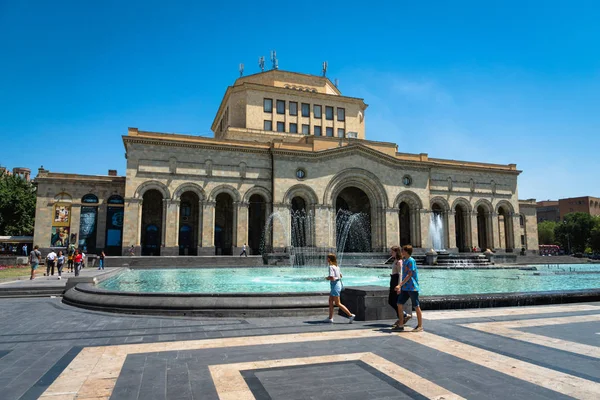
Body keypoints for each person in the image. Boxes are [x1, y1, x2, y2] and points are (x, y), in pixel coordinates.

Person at [394, 245, 423, 332]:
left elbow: (409, 275)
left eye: (403, 250)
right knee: (399, 303)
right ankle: (401, 324)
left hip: (412, 287)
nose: (401, 252)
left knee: (416, 306)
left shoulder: (411, 261)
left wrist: (400, 285)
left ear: (406, 252)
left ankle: (420, 326)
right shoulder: (405, 260)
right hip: (406, 287)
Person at [323, 253, 355, 323]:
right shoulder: (337, 266)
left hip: (335, 286)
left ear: (329, 259)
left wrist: (326, 278)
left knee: (337, 303)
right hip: (338, 284)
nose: (326, 259)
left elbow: (332, 277)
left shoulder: (331, 267)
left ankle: (350, 315)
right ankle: (330, 318)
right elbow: (340, 276)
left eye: (327, 258)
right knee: (330, 301)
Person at [389, 246, 412, 328]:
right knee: (392, 301)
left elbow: (400, 274)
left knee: (393, 301)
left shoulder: (399, 261)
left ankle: (403, 316)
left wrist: (399, 286)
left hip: (396, 282)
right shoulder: (395, 260)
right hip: (393, 281)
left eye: (392, 252)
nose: (391, 253)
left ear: (396, 252)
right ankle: (402, 317)